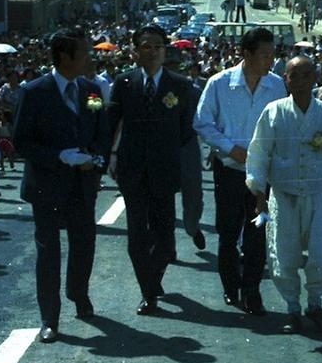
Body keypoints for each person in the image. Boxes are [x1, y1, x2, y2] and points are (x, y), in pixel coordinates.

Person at [12, 28, 111, 343]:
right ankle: (49, 318)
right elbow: (21, 143)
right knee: (49, 252)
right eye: (83, 52)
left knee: (84, 245)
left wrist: (95, 158)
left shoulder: (92, 90)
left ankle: (78, 295)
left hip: (82, 184)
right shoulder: (34, 91)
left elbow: (100, 129)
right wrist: (59, 156)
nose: (88, 58)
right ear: (65, 57)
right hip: (47, 185)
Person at [246, 56, 322, 333]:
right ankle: (292, 307)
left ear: (315, 78)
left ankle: (315, 303)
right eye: (295, 75)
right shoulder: (274, 111)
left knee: (320, 250)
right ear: (286, 79)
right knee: (284, 252)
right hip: (283, 194)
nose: (302, 81)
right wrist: (258, 192)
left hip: (318, 193)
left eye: (307, 75)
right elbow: (259, 152)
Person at [194, 27, 286, 314]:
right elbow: (202, 122)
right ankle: (230, 286)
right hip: (230, 170)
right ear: (246, 54)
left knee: (258, 232)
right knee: (228, 232)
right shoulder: (219, 83)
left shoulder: (276, 85)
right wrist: (230, 148)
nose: (270, 60)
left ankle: (252, 290)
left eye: (273, 54)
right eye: (264, 55)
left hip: (261, 174)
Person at [107, 24, 196, 315]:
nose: (153, 51)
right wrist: (111, 157)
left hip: (165, 170)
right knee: (137, 235)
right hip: (132, 170)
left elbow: (185, 129)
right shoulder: (123, 83)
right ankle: (148, 292)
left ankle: (152, 278)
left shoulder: (179, 84)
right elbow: (111, 122)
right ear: (135, 51)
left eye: (158, 45)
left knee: (165, 237)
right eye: (146, 45)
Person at [163, 47, 205, 252]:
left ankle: (193, 227)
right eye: (166, 66)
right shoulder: (154, 89)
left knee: (194, 195)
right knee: (163, 199)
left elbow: (206, 118)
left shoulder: (191, 89)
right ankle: (168, 245)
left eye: (173, 66)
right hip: (162, 149)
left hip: (187, 146)